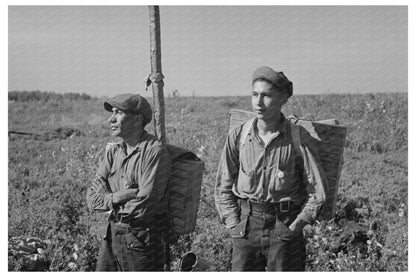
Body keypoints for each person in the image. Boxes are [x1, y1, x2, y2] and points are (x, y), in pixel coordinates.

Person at [214, 66, 328, 271]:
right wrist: (233, 224)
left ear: (283, 98)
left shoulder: (298, 138)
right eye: (254, 94)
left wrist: (295, 227)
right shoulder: (239, 135)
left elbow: (317, 192)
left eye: (266, 95)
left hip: (284, 225)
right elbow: (223, 186)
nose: (258, 102)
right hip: (246, 226)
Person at [86, 93, 171, 271]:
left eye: (118, 113)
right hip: (112, 232)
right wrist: (119, 197)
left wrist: (108, 200)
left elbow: (144, 206)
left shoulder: (154, 152)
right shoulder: (113, 152)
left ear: (137, 119)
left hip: (141, 238)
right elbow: (92, 199)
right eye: (112, 113)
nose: (111, 119)